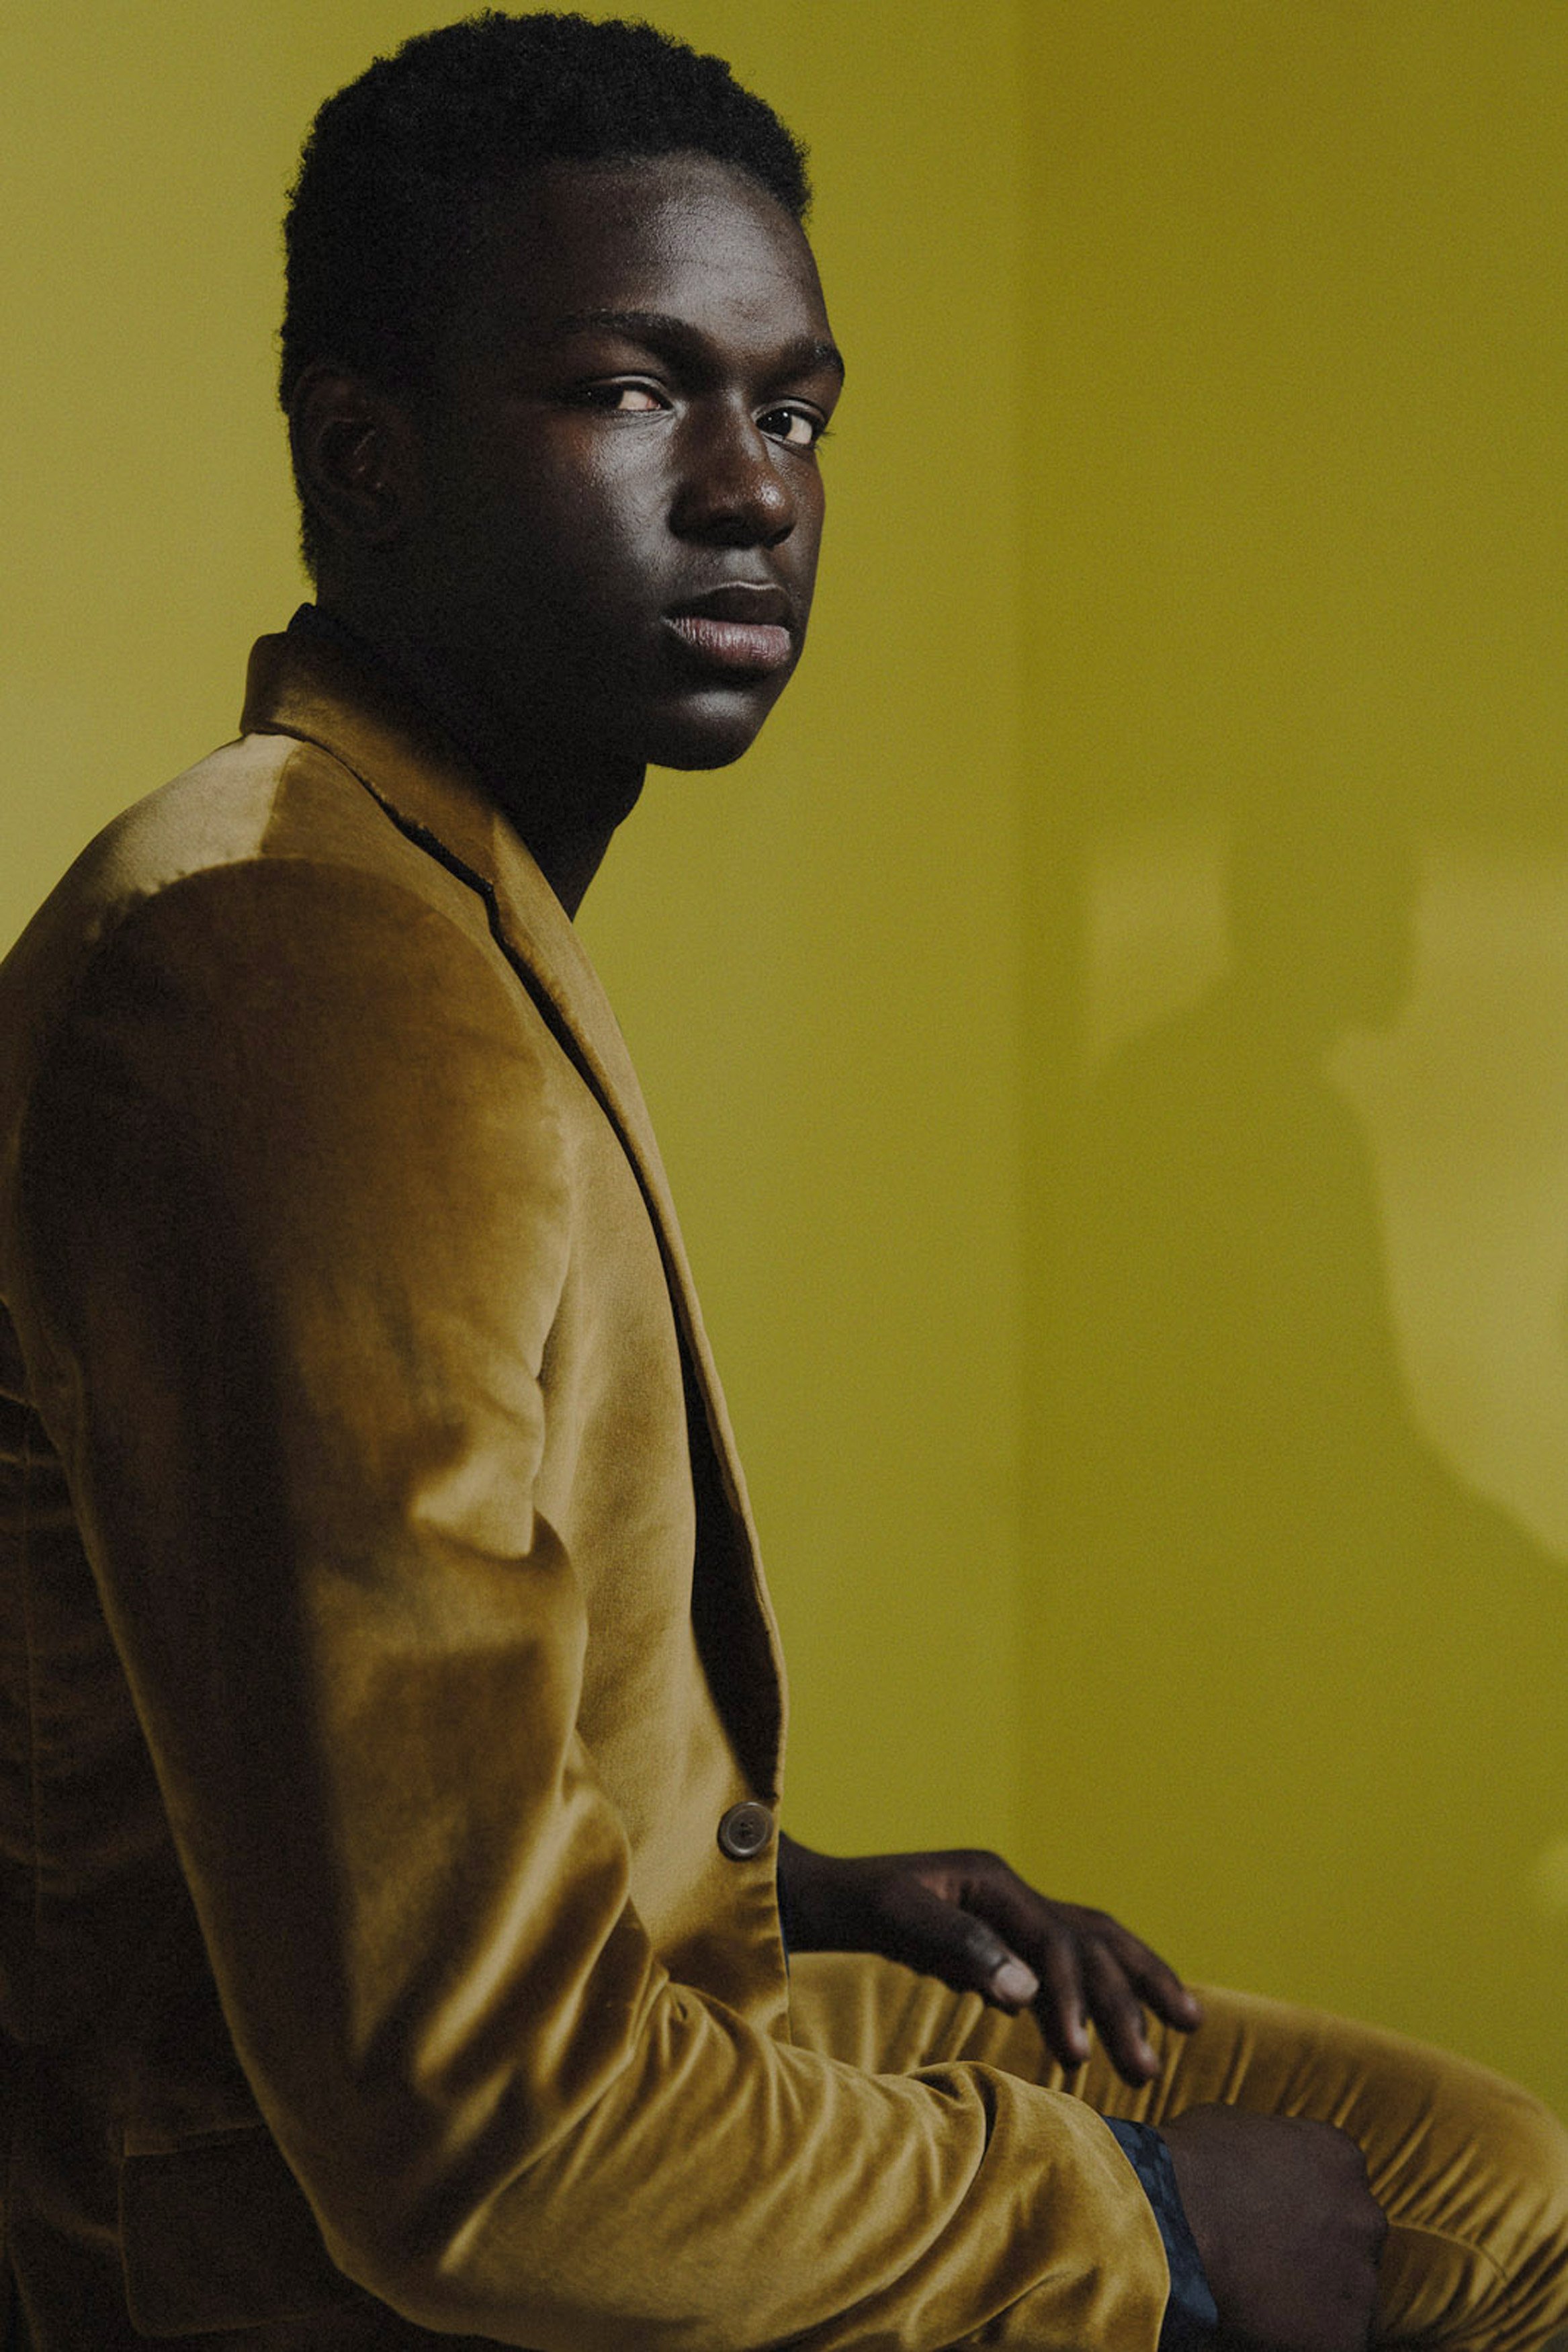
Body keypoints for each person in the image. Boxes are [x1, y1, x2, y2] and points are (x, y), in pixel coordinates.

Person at [0, 13, 1562, 2349]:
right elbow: (477, 2136)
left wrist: (785, 1877)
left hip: (570, 2035)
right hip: (281, 2252)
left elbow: (304, 1744)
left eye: (796, 412)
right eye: (635, 391)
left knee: (1465, 2176)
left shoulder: (408, 901)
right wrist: (1141, 2222)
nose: (752, 491)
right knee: (1444, 2239)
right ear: (362, 454)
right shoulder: (291, 975)